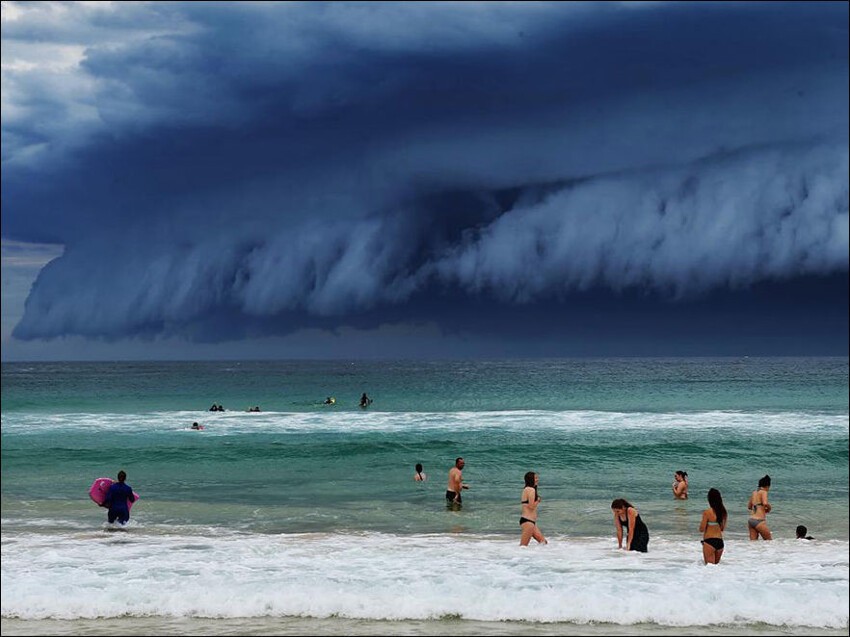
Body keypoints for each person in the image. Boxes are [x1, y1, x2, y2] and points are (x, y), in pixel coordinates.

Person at [699, 488, 727, 564]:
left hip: (709, 542)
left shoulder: (707, 512)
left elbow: (701, 529)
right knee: (715, 569)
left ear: (709, 499)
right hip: (720, 542)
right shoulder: (723, 512)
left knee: (709, 569)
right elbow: (722, 529)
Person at [520, 471, 547, 546]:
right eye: (535, 478)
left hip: (529, 522)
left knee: (543, 543)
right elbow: (531, 507)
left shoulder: (526, 489)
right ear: (530, 479)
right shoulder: (531, 490)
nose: (537, 479)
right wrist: (538, 500)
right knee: (523, 547)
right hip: (528, 522)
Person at [747, 475, 772, 540]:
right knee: (769, 542)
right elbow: (765, 503)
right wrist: (769, 508)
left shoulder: (754, 492)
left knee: (753, 544)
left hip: (751, 520)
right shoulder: (764, 492)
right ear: (767, 486)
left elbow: (749, 507)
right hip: (759, 520)